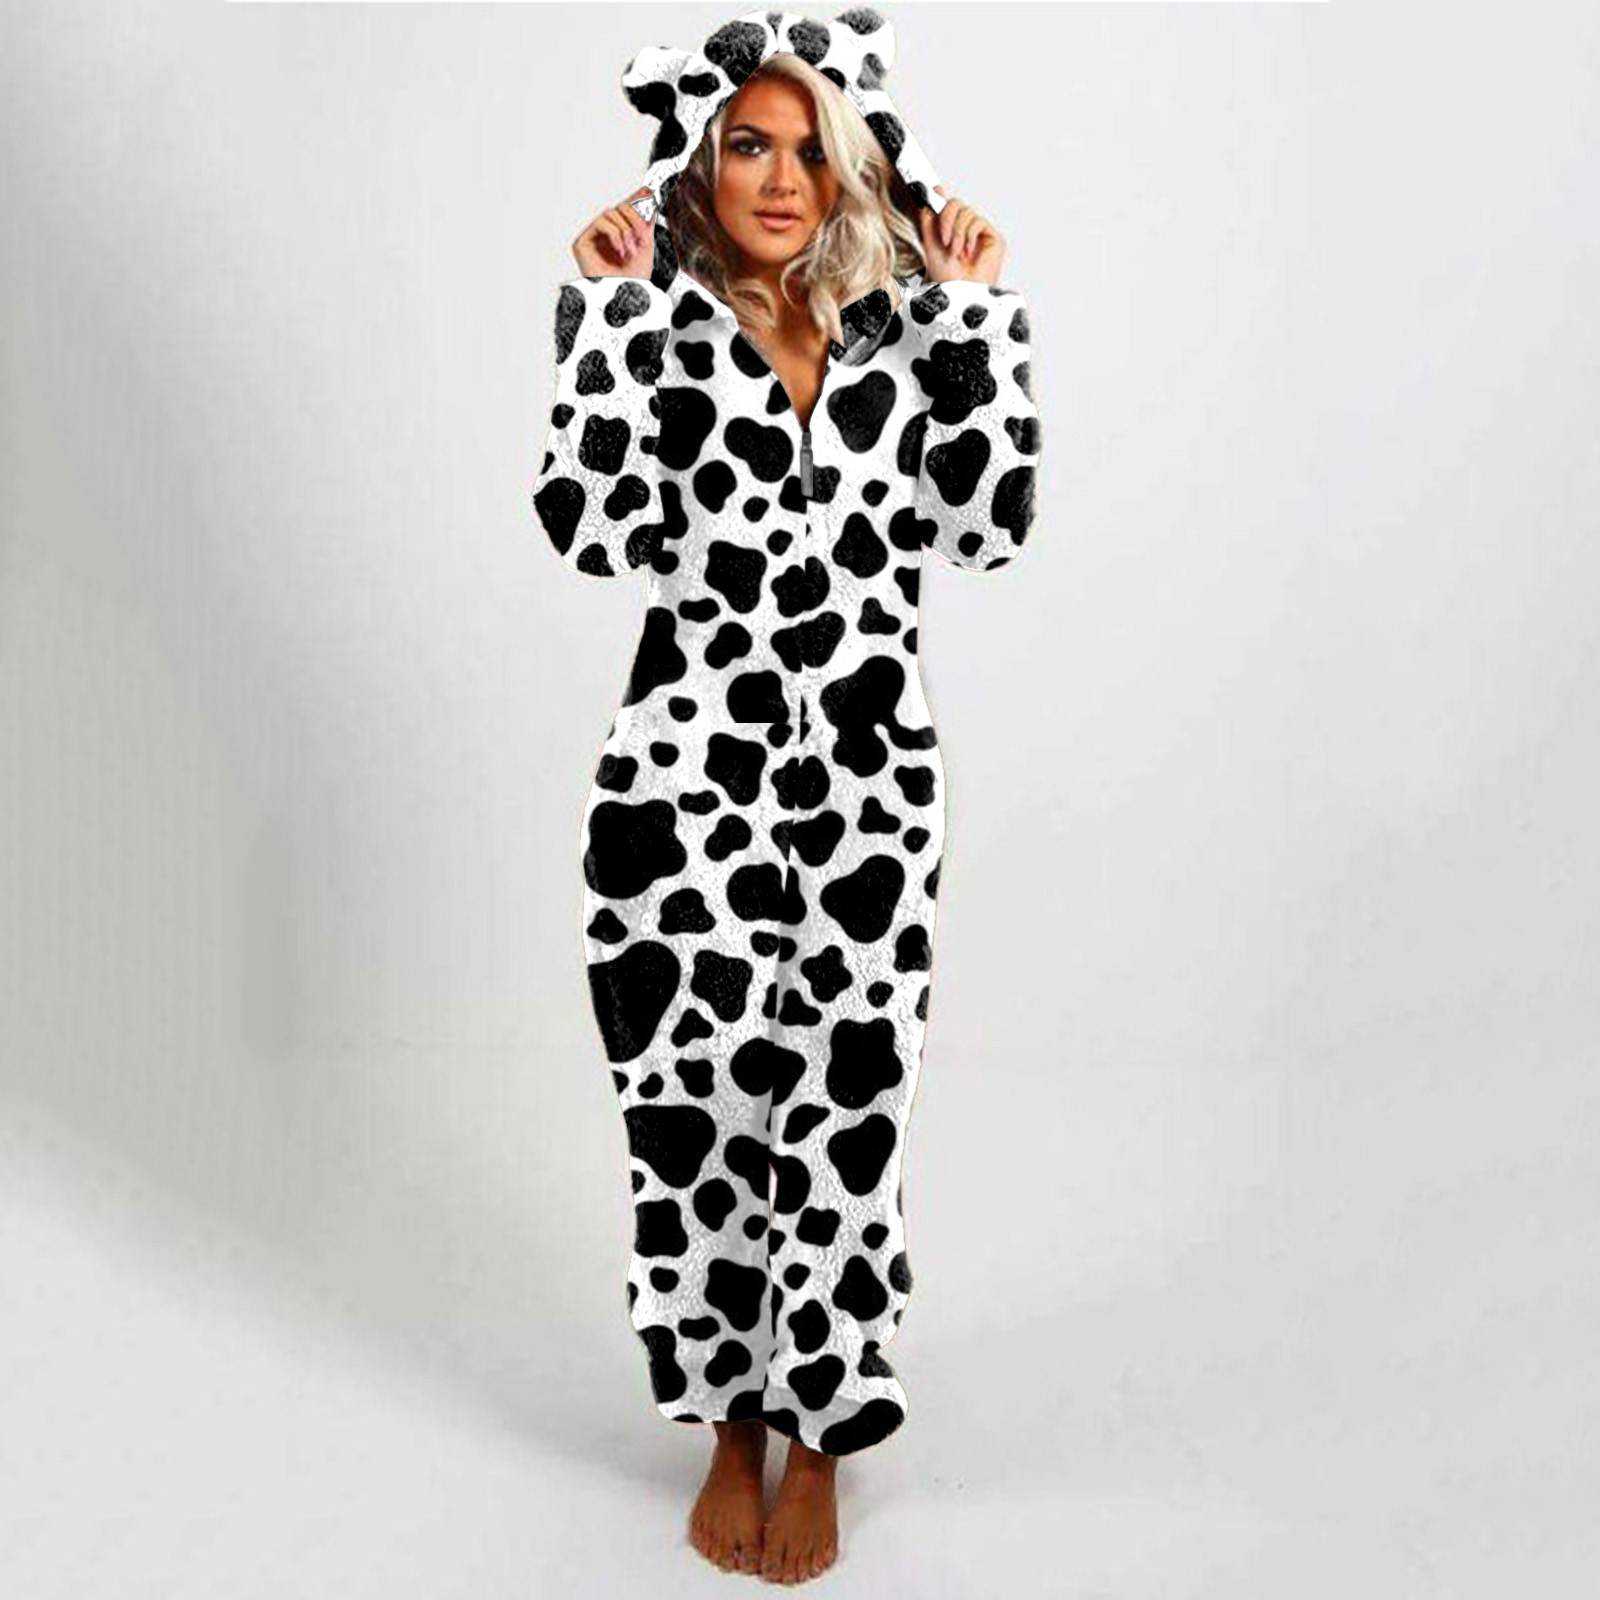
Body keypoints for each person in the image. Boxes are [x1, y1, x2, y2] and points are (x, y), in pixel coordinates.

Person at [532, 7, 1040, 1584]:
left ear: (852, 169)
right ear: (702, 160)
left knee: (847, 1108)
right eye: (748, 143)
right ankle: (728, 1423)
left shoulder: (906, 331)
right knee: (695, 1117)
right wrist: (604, 318)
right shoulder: (657, 328)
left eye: (810, 150)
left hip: (872, 785)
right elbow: (594, 534)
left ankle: (820, 1432)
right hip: (680, 785)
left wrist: (979, 317)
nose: (777, 175)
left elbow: (989, 523)